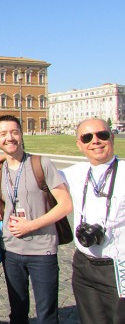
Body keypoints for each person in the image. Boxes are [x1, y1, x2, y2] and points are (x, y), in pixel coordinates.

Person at [0, 115, 73, 324]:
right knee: (17, 313)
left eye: (14, 132)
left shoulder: (41, 164)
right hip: (11, 250)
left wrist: (31, 225)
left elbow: (66, 205)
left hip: (42, 250)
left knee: (47, 315)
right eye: (3, 134)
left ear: (21, 134)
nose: (9, 138)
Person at [62, 118, 125, 324]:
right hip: (83, 266)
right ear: (79, 144)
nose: (95, 141)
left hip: (118, 267)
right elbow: (36, 174)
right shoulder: (73, 173)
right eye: (87, 137)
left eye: (102, 135)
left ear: (112, 138)